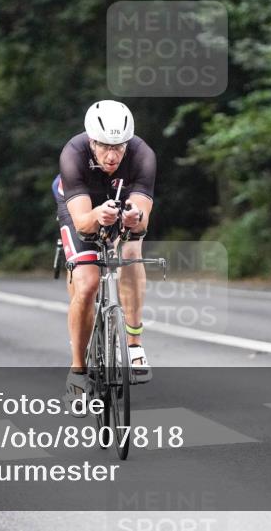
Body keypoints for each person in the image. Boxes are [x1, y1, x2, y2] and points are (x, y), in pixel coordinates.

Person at [51, 100, 156, 411]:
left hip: (121, 201)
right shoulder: (73, 153)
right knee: (86, 283)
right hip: (81, 205)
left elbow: (143, 217)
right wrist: (97, 214)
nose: (113, 155)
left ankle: (134, 344)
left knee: (133, 250)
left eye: (119, 147)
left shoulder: (142, 155)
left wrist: (134, 217)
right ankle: (78, 372)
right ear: (91, 141)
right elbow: (83, 222)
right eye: (105, 147)